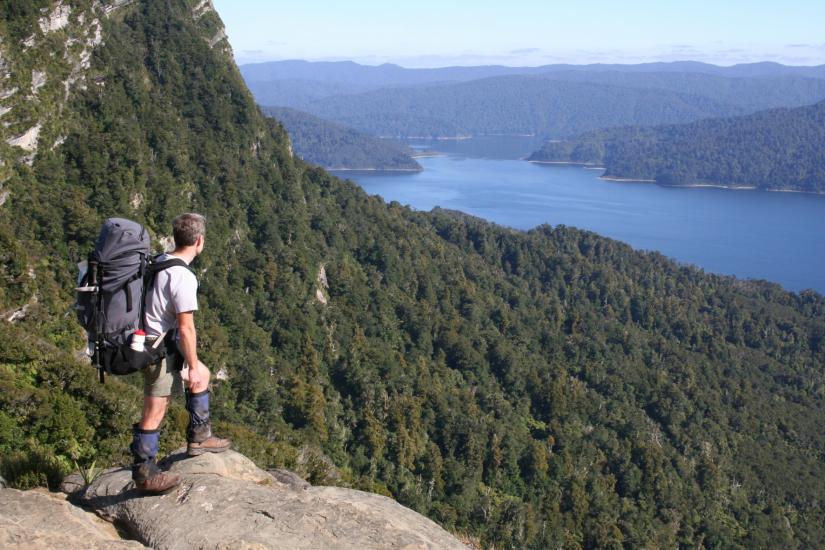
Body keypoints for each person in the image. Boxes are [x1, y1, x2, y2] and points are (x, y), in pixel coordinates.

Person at [130, 213, 230, 494]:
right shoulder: (182, 276)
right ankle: (144, 473)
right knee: (155, 409)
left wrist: (196, 367)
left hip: (156, 342)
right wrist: (193, 363)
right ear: (200, 241)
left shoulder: (161, 260)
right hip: (156, 349)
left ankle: (199, 437)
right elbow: (186, 328)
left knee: (202, 375)